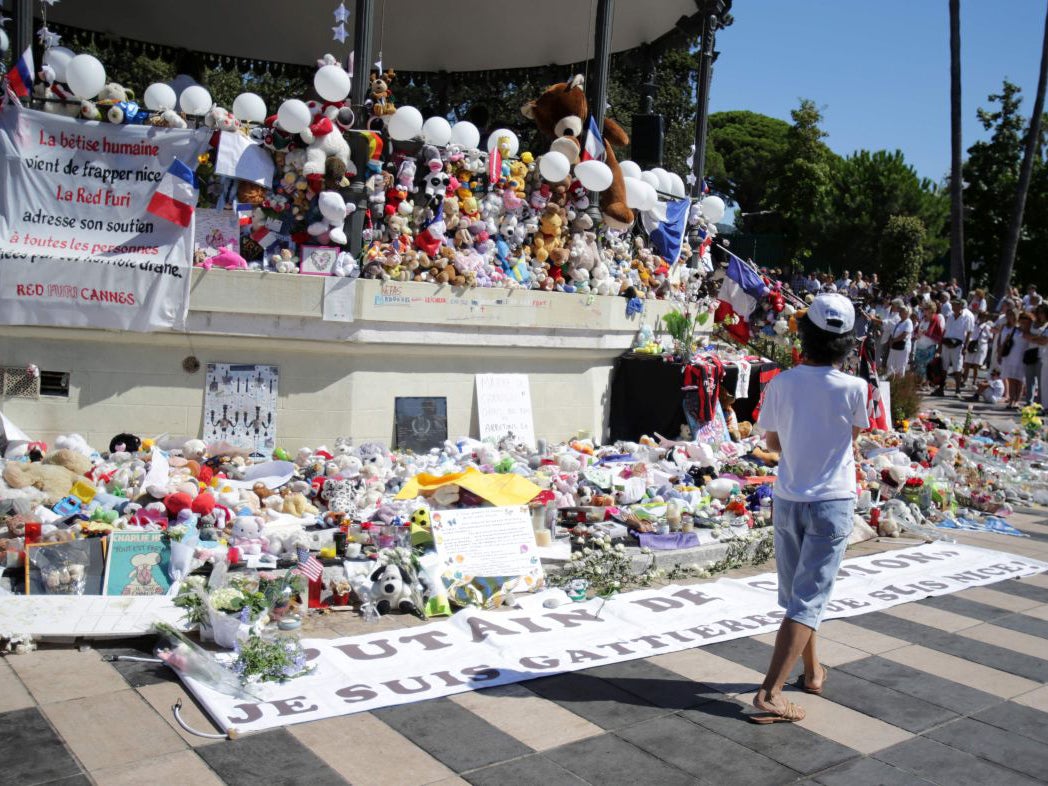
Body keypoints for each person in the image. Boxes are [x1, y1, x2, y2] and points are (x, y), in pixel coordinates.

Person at [751, 294, 869, 725]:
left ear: (804, 337)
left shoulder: (780, 383)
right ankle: (770, 692)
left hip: (789, 498)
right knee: (807, 598)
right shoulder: (856, 388)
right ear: (847, 344)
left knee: (800, 596)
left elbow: (773, 443)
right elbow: (853, 437)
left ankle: (812, 671)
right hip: (832, 500)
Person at [937, 299, 975, 396]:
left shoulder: (966, 317)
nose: (954, 307)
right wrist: (940, 345)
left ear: (961, 306)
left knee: (957, 368)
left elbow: (969, 332)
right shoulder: (950, 316)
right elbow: (945, 331)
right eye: (953, 305)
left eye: (956, 305)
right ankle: (941, 388)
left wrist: (965, 346)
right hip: (947, 342)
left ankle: (957, 390)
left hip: (957, 344)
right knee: (944, 367)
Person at [998, 309, 1027, 408]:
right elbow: (1004, 342)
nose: (1010, 317)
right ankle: (1011, 399)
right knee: (1011, 379)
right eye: (1009, 315)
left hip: (1021, 356)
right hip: (1010, 355)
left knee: (1019, 380)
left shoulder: (1022, 328)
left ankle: (1017, 400)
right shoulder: (1010, 328)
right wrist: (1000, 354)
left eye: (1013, 315)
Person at [912, 300, 944, 383]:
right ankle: (920, 383)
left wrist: (926, 333)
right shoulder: (923, 319)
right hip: (920, 347)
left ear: (931, 310)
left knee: (927, 367)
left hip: (929, 348)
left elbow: (939, 336)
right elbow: (916, 330)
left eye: (926, 309)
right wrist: (917, 334)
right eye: (923, 309)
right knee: (919, 367)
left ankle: (926, 384)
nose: (924, 311)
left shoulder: (936, 320)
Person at [962, 311, 993, 387]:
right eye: (981, 316)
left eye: (984, 317)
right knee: (967, 363)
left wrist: (983, 340)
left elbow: (991, 337)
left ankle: (974, 381)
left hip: (981, 346)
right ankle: (964, 380)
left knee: (976, 365)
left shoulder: (987, 327)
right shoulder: (975, 325)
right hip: (972, 345)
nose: (982, 318)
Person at [885, 304, 912, 377]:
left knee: (900, 364)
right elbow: (893, 333)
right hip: (895, 346)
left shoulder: (908, 322)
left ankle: (898, 380)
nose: (899, 313)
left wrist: (893, 340)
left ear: (906, 313)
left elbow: (904, 334)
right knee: (891, 363)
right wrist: (891, 340)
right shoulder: (899, 322)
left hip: (903, 346)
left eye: (901, 311)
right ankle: (890, 378)